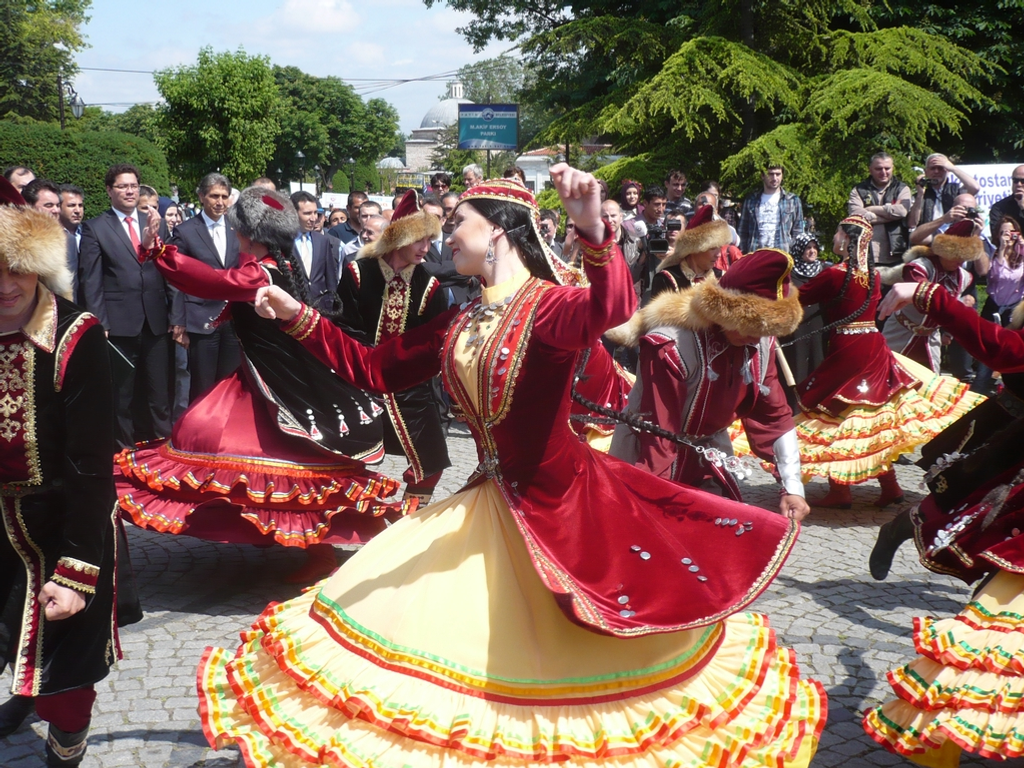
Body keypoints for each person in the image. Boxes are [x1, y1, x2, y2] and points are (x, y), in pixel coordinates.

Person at [197, 168, 826, 768]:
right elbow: (375, 368)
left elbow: (609, 308)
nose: (446, 235)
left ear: (497, 228)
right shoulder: (461, 317)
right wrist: (295, 314)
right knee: (444, 644)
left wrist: (594, 232)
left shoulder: (549, 308)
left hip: (561, 508)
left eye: (458, 223)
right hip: (488, 499)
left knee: (564, 662)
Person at [114, 187, 410, 584]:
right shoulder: (273, 265)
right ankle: (282, 531)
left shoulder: (261, 273)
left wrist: (160, 253)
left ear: (250, 235)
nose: (233, 234)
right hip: (263, 377)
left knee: (271, 458)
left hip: (278, 383)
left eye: (237, 229)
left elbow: (210, 281)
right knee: (247, 452)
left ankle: (316, 548)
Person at [862, 277, 1024, 765]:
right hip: (1010, 425)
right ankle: (900, 527)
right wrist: (932, 297)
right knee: (959, 499)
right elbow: (1002, 346)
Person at [0, 178, 121, 766]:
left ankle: (65, 744)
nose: (5, 284)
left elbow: (92, 465)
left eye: (16, 268)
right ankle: (24, 695)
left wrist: (76, 571)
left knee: (67, 678)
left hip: (66, 522)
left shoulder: (77, 336)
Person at [790, 216, 982, 508]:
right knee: (872, 415)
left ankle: (841, 490)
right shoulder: (873, 275)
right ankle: (890, 486)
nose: (834, 237)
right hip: (874, 345)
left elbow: (799, 298)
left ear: (847, 239)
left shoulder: (836, 274)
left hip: (848, 347)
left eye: (838, 232)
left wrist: (775, 286)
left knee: (840, 414)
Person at [606, 248, 810, 518]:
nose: (755, 339)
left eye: (765, 331)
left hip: (709, 455)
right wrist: (652, 505)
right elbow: (659, 433)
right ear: (724, 311)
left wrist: (793, 487)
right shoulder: (670, 345)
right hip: (645, 454)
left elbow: (774, 416)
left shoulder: (760, 342)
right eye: (750, 326)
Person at [336, 190, 452, 504]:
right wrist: (366, 362)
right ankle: (350, 513)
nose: (426, 248)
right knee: (344, 455)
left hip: (410, 386)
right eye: (419, 240)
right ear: (399, 238)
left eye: (429, 240)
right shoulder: (359, 273)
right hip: (359, 381)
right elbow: (344, 326)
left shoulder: (429, 285)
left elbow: (435, 340)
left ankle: (409, 518)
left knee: (432, 459)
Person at [79, 163, 182, 448]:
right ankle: (124, 452)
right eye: (122, 186)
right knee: (121, 396)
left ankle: (164, 450)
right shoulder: (95, 228)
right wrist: (100, 322)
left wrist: (177, 316)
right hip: (118, 324)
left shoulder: (154, 221)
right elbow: (91, 280)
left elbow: (170, 272)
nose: (129, 191)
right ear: (109, 190)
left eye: (133, 186)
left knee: (159, 394)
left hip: (156, 322)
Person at [167, 172, 242, 402]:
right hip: (200, 320)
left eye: (224, 196)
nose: (220, 202)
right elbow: (176, 279)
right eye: (214, 196)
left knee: (230, 384)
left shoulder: (237, 228)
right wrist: (179, 321)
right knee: (203, 386)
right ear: (201, 196)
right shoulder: (186, 231)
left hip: (233, 320)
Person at [882, 217, 980, 373]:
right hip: (900, 333)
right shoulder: (919, 267)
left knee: (930, 382)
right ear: (944, 251)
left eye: (964, 256)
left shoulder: (964, 277)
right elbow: (923, 300)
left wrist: (948, 332)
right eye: (956, 254)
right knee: (886, 373)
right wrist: (958, 304)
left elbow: (952, 311)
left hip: (931, 340)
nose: (960, 260)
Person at [971, 217, 1024, 394]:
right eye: (1004, 233)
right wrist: (1002, 248)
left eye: (1012, 232)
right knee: (988, 351)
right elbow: (993, 275)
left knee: (1011, 350)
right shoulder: (993, 253)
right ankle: (979, 390)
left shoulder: (1021, 254)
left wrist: (1021, 246)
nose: (1008, 236)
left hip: (1013, 309)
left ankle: (1010, 391)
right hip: (993, 306)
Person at [779, 233, 827, 388]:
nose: (812, 251)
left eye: (815, 247)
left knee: (818, 360)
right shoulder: (788, 274)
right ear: (799, 250)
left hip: (818, 325)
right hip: (797, 327)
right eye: (808, 248)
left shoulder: (824, 270)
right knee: (797, 363)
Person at [650, 204, 729, 297]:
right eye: (712, 248)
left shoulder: (722, 278)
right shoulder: (667, 278)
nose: (718, 255)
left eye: (720, 247)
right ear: (695, 248)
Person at [848, 152, 911, 268]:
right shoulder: (859, 190)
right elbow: (855, 215)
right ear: (870, 170)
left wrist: (871, 210)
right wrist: (890, 214)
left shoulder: (902, 188)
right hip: (866, 255)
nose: (883, 172)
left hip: (896, 254)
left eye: (887, 168)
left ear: (893, 168)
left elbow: (902, 211)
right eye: (878, 169)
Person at [738, 164, 805, 253]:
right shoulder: (751, 200)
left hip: (783, 254)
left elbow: (798, 231)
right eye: (770, 174)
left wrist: (795, 254)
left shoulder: (792, 200)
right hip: (756, 254)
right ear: (762, 176)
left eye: (778, 174)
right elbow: (742, 231)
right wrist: (743, 254)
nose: (774, 178)